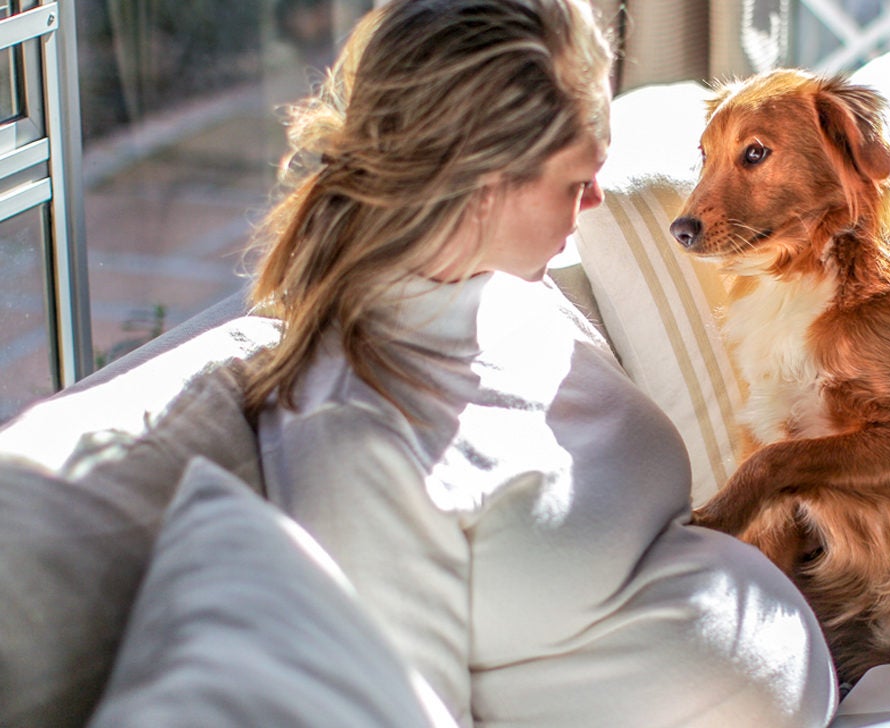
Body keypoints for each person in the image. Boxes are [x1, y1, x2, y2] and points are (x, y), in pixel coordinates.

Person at [243, 0, 837, 725]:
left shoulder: (514, 296)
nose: (593, 202)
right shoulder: (362, 436)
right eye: (573, 180)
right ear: (472, 177)